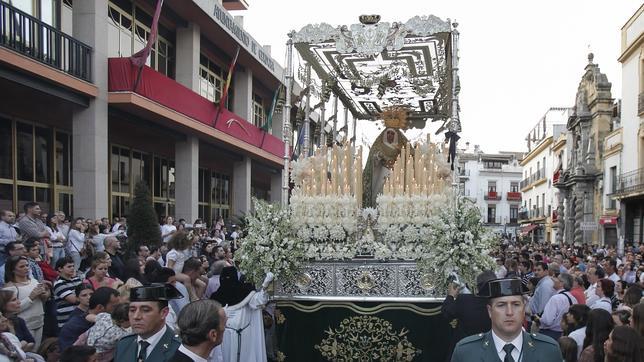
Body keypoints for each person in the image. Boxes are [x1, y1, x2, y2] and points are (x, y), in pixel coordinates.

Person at [450, 278, 562, 362]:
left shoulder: (548, 350)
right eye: (501, 305)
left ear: (524, 309)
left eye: (516, 304)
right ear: (489, 311)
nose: (509, 312)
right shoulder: (466, 352)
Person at [211, 267, 274, 362]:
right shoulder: (216, 297)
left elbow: (258, 302)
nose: (227, 280)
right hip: (225, 337)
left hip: (245, 335)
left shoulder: (245, 292)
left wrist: (265, 285)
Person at [113, 284, 183, 361]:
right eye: (132, 310)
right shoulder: (123, 344)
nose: (136, 316)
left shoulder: (179, 350)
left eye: (145, 310)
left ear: (164, 313)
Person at [442, 270, 495, 360]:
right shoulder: (499, 303)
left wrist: (450, 296)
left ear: (477, 286)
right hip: (490, 350)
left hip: (465, 349)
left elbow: (447, 312)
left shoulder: (464, 300)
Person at [2, 255, 48, 349]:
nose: (26, 268)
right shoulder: (10, 288)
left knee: (37, 349)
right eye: (21, 266)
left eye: (27, 265)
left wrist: (45, 294)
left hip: (39, 320)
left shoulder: (33, 281)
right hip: (25, 324)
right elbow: (11, 310)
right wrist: (31, 297)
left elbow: (42, 300)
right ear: (13, 270)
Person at [58, 286, 119, 352]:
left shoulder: (116, 322)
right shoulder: (72, 327)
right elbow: (68, 355)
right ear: (100, 307)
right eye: (114, 307)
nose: (118, 310)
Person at [539, 273, 577, 340]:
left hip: (549, 334)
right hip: (566, 334)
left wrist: (538, 319)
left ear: (561, 283)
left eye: (556, 278)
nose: (553, 279)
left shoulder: (556, 298)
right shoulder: (573, 298)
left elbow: (547, 321)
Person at [53, 256, 82, 328]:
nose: (72, 268)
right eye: (69, 267)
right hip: (66, 320)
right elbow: (74, 300)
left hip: (79, 317)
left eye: (73, 266)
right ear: (60, 269)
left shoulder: (77, 279)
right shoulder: (58, 284)